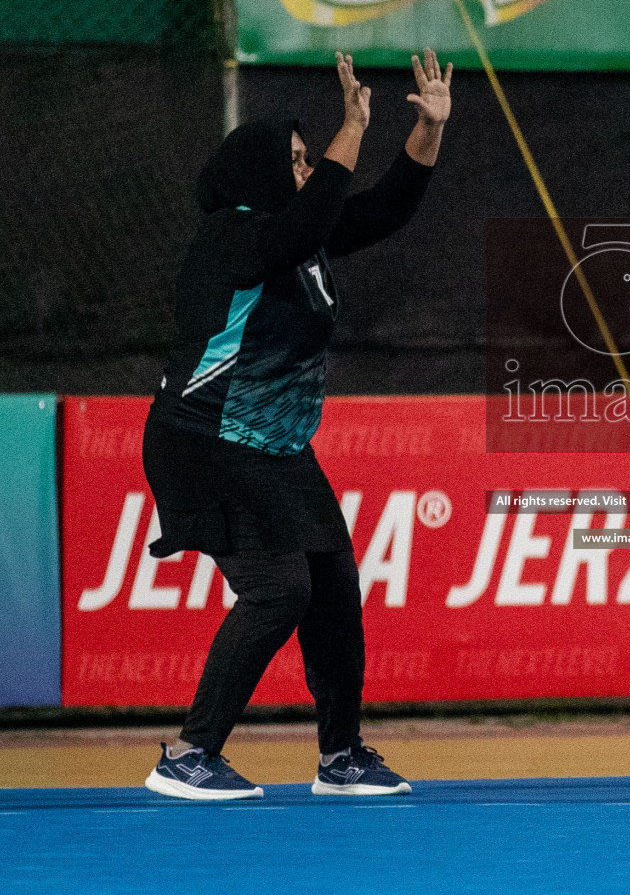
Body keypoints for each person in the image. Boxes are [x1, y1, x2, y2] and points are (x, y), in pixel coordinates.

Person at [141, 49, 452, 801]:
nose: (311, 169)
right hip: (206, 438)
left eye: (312, 158)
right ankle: (187, 757)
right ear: (260, 176)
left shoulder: (300, 241)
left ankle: (341, 757)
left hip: (273, 446)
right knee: (280, 588)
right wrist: (352, 125)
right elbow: (312, 213)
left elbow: (381, 209)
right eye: (298, 159)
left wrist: (428, 130)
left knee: (335, 585)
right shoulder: (236, 236)